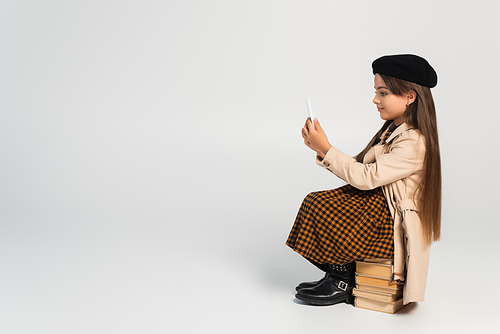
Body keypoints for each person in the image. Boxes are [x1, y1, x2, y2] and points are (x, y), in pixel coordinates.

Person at [286, 54, 441, 307]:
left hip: (389, 221)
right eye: (376, 92)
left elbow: (367, 177)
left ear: (410, 96)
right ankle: (338, 272)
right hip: (376, 208)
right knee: (316, 201)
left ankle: (342, 280)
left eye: (383, 93)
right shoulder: (392, 131)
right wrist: (322, 149)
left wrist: (327, 148)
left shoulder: (414, 142)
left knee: (323, 208)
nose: (375, 100)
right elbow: (360, 167)